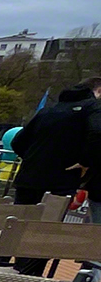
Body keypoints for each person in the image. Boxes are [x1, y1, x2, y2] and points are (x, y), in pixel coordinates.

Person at [10, 76, 101, 206]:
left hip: (29, 177)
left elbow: (18, 142)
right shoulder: (93, 108)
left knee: (20, 215)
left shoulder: (48, 110)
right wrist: (85, 161)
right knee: (52, 217)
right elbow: (97, 133)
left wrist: (33, 158)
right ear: (98, 91)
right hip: (62, 178)